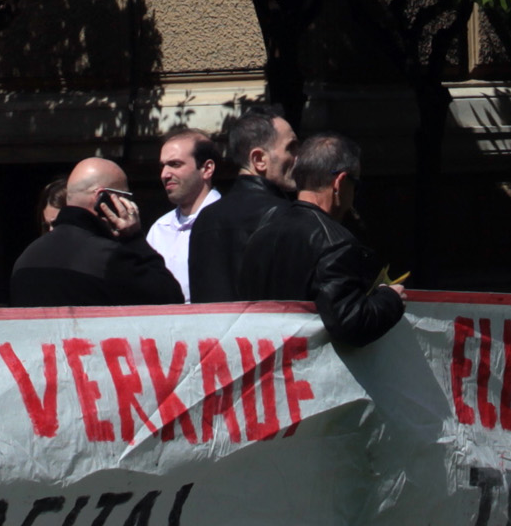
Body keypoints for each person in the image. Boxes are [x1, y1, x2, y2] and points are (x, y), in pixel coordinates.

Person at [229, 130, 406, 349]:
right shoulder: (335, 242)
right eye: (356, 184)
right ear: (340, 182)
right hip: (309, 374)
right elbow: (350, 324)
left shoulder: (262, 231)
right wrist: (389, 298)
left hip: (265, 369)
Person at [11, 157, 185, 309]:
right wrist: (135, 238)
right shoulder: (110, 258)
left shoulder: (26, 258)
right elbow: (169, 298)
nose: (128, 203)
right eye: (124, 196)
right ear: (103, 198)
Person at [187, 104, 296, 305]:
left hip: (213, 336)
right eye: (291, 148)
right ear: (259, 159)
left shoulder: (205, 219)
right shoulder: (288, 216)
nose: (298, 158)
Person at [147, 127, 223, 294]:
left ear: (207, 169)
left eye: (175, 164)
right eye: (163, 166)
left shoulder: (229, 222)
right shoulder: (159, 229)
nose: (165, 174)